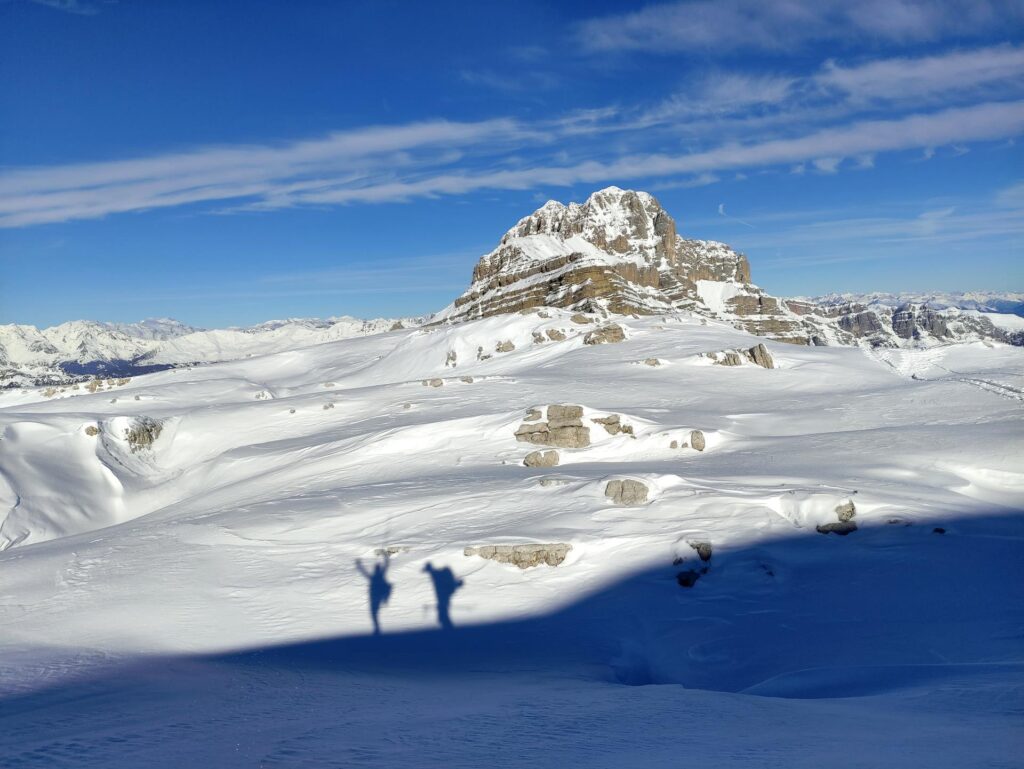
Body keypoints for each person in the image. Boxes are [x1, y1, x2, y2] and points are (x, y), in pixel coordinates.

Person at [355, 552, 392, 635]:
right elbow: (386, 565)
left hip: (374, 598)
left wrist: (359, 565)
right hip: (376, 597)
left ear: (376, 570)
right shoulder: (378, 576)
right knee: (374, 613)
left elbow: (364, 572)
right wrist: (385, 556)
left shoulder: (375, 577)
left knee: (373, 613)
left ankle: (377, 628)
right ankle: (377, 628)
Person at [422, 561, 463, 630]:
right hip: (444, 596)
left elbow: (451, 585)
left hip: (443, 597)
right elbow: (453, 585)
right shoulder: (439, 575)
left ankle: (448, 630)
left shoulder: (437, 575)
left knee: (443, 613)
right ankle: (448, 629)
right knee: (443, 613)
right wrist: (458, 583)